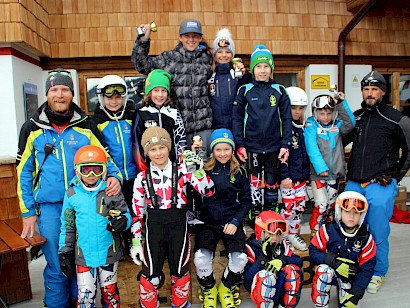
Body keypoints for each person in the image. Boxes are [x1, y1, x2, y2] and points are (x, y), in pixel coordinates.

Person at [16, 68, 122, 308]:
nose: (60, 94)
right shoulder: (31, 128)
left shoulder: (87, 125)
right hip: (52, 208)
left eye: (65, 89)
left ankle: (80, 303)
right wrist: (28, 213)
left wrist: (114, 176)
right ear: (47, 94)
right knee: (57, 262)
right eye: (55, 90)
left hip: (84, 202)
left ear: (72, 94)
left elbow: (106, 157)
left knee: (80, 263)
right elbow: (23, 173)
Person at [129, 126, 215, 308]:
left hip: (178, 226)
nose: (158, 153)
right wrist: (136, 241)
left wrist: (198, 170)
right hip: (154, 227)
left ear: (169, 147)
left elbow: (209, 191)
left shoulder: (183, 169)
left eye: (162, 147)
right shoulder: (141, 178)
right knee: (149, 277)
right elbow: (137, 213)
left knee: (180, 273)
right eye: (152, 149)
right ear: (147, 152)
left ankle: (180, 304)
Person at [343, 71, 410, 293]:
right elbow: (339, 140)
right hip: (354, 184)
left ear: (383, 91)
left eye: (374, 89)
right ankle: (354, 265)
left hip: (379, 185)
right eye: (366, 89)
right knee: (350, 229)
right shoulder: (358, 115)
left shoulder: (397, 119)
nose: (369, 93)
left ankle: (378, 272)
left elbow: (408, 151)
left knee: (378, 232)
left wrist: (396, 176)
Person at [59, 145, 131, 307]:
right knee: (86, 294)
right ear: (77, 171)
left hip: (108, 253)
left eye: (97, 170)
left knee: (110, 292)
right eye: (86, 170)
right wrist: (65, 251)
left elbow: (126, 215)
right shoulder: (72, 194)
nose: (91, 175)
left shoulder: (111, 191)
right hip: (84, 255)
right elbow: (68, 225)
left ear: (104, 171)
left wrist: (123, 222)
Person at [232, 44, 292, 223]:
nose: (263, 70)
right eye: (258, 66)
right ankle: (255, 214)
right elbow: (236, 119)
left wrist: (285, 145)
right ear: (253, 68)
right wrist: (240, 144)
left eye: (266, 66)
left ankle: (271, 214)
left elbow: (287, 119)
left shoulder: (280, 91)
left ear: (271, 68)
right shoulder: (244, 91)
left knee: (272, 181)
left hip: (274, 146)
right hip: (252, 147)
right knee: (254, 182)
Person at [132, 19, 213, 149]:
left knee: (204, 166)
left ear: (200, 38)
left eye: (195, 36)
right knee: (182, 167)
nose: (191, 40)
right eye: (187, 36)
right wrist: (143, 41)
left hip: (204, 127)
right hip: (178, 128)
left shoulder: (207, 59)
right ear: (180, 37)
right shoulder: (169, 59)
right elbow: (143, 66)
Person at [193, 128, 251, 308]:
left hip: (230, 222)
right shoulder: (204, 169)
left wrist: (235, 222)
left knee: (240, 258)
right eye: (218, 149)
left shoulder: (240, 172)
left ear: (232, 150)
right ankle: (208, 288)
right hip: (208, 222)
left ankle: (226, 287)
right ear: (212, 151)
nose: (223, 153)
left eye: (227, 149)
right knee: (201, 258)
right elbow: (193, 194)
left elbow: (246, 202)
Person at [92, 74, 138, 253]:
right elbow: (100, 151)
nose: (114, 101)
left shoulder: (132, 117)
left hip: (135, 175)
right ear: (102, 98)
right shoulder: (96, 122)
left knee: (135, 211)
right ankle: (119, 245)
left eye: (118, 97)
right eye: (109, 97)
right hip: (112, 178)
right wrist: (111, 174)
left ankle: (135, 243)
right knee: (116, 211)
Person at [309, 191, 376, 308]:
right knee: (323, 271)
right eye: (347, 212)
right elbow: (313, 252)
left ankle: (346, 293)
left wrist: (356, 292)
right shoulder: (327, 229)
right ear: (339, 212)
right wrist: (334, 262)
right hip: (331, 271)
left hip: (350, 277)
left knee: (350, 304)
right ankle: (321, 304)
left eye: (356, 213)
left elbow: (367, 268)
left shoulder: (366, 238)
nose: (351, 216)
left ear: (362, 215)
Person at [304, 92, 355, 236]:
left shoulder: (337, 125)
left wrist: (341, 103)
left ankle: (327, 231)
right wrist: (321, 168)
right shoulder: (311, 125)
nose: (325, 117)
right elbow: (311, 148)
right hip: (319, 175)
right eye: (321, 113)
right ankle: (315, 230)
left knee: (332, 205)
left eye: (328, 113)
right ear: (315, 112)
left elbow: (350, 124)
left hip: (335, 174)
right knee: (321, 205)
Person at [244, 211, 303, 308]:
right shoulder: (251, 247)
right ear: (260, 232)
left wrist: (282, 260)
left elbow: (298, 262)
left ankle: (285, 305)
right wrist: (263, 259)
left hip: (280, 287)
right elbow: (248, 277)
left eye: (278, 234)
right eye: (271, 234)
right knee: (266, 276)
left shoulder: (281, 245)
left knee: (292, 270)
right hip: (260, 290)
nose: (275, 238)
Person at [133, 69, 187, 170]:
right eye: (156, 90)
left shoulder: (174, 113)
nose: (160, 95)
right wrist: (143, 169)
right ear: (149, 92)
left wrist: (180, 165)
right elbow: (136, 143)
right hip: (149, 167)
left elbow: (180, 140)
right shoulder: (141, 113)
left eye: (163, 90)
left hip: (171, 167)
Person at [279, 87, 310, 251]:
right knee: (289, 209)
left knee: (299, 208)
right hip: (288, 178)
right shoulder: (283, 128)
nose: (297, 112)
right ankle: (283, 236)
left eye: (300, 108)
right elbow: (281, 155)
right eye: (293, 108)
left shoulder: (304, 127)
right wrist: (284, 176)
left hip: (301, 177)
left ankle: (293, 233)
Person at [209, 28, 248, 130]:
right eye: (220, 52)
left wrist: (244, 76)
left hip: (236, 126)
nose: (224, 55)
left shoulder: (237, 74)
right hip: (215, 127)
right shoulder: (210, 76)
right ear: (215, 55)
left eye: (228, 52)